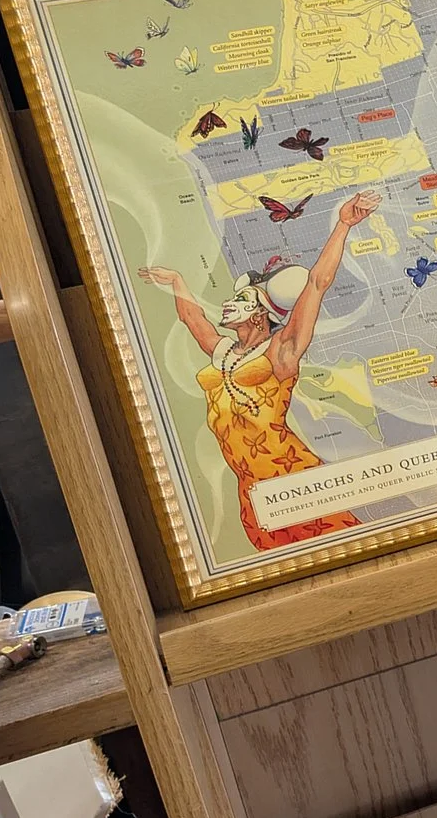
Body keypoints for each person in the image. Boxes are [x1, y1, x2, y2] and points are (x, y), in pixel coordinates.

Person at [137, 189, 377, 551]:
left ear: (260, 313)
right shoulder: (224, 353)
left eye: (240, 300)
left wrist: (344, 224)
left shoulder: (281, 352)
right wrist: (177, 282)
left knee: (343, 549)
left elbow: (316, 284)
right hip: (251, 490)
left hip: (293, 480)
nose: (228, 304)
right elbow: (192, 319)